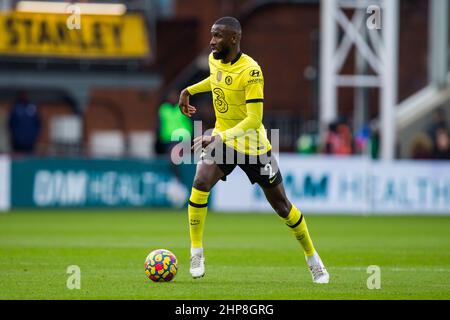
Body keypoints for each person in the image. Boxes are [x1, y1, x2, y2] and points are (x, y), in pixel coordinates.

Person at [178, 16, 329, 283]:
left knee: (282, 207)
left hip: (254, 147)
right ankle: (196, 251)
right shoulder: (215, 60)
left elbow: (253, 120)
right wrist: (188, 89)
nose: (212, 41)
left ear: (234, 38)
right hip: (224, 142)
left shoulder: (252, 71)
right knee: (200, 182)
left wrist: (218, 135)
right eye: (212, 35)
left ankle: (312, 257)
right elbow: (215, 82)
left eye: (218, 36)